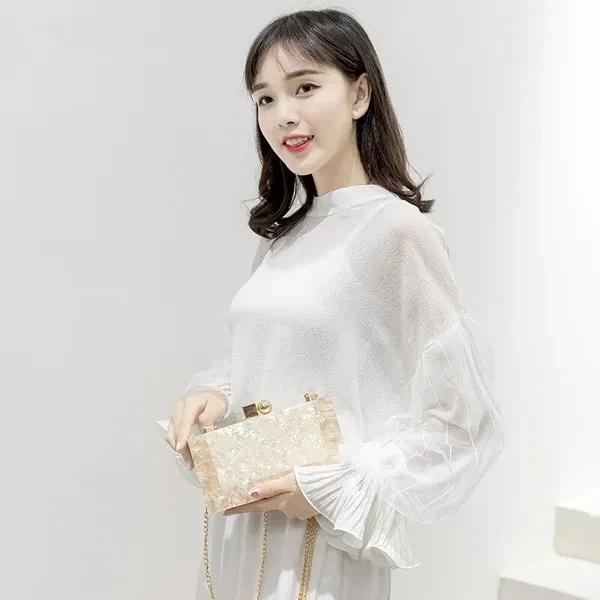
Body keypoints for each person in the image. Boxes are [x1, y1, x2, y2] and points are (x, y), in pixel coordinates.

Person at [165, 8, 504, 600]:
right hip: (242, 530)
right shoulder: (284, 239)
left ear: (359, 94)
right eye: (265, 98)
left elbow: (463, 421)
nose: (283, 115)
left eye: (304, 87)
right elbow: (268, 359)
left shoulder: (398, 232)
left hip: (323, 543)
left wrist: (329, 486)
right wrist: (215, 394)